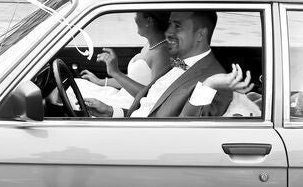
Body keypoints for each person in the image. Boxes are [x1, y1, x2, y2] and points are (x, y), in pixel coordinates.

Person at [86, 11, 234, 118]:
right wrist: (111, 112)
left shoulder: (215, 83)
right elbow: (150, 110)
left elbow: (188, 132)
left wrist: (208, 85)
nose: (168, 32)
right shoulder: (178, 63)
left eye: (177, 26)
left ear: (200, 35)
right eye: (170, 24)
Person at [70, 11, 173, 110]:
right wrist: (100, 81)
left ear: (149, 21)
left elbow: (152, 96)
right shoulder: (150, 45)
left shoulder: (161, 54)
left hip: (130, 106)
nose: (135, 18)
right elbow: (133, 79)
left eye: (137, 14)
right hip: (122, 95)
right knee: (75, 85)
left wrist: (115, 72)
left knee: (73, 95)